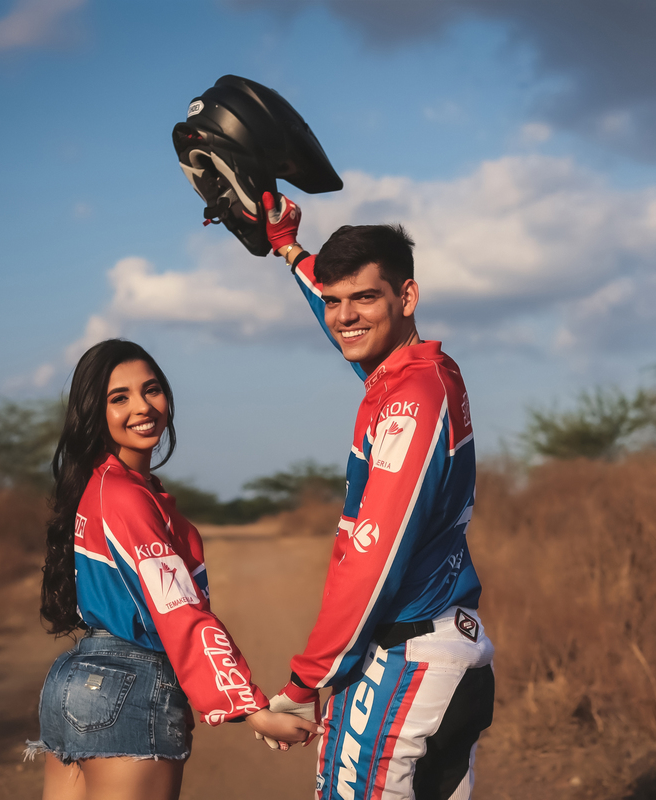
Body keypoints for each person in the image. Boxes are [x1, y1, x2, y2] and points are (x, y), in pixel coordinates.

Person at [252, 192, 495, 800]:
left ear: (406, 297)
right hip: (444, 649)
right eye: (335, 301)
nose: (344, 316)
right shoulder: (414, 373)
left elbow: (375, 558)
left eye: (365, 297)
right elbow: (348, 322)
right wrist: (288, 250)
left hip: (408, 658)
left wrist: (307, 683)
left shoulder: (410, 402)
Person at [27, 338, 320, 800]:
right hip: (128, 686)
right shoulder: (125, 496)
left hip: (76, 681)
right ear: (94, 412)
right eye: (118, 398)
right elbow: (179, 612)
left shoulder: (102, 486)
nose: (142, 407)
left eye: (152, 389)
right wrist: (250, 707)